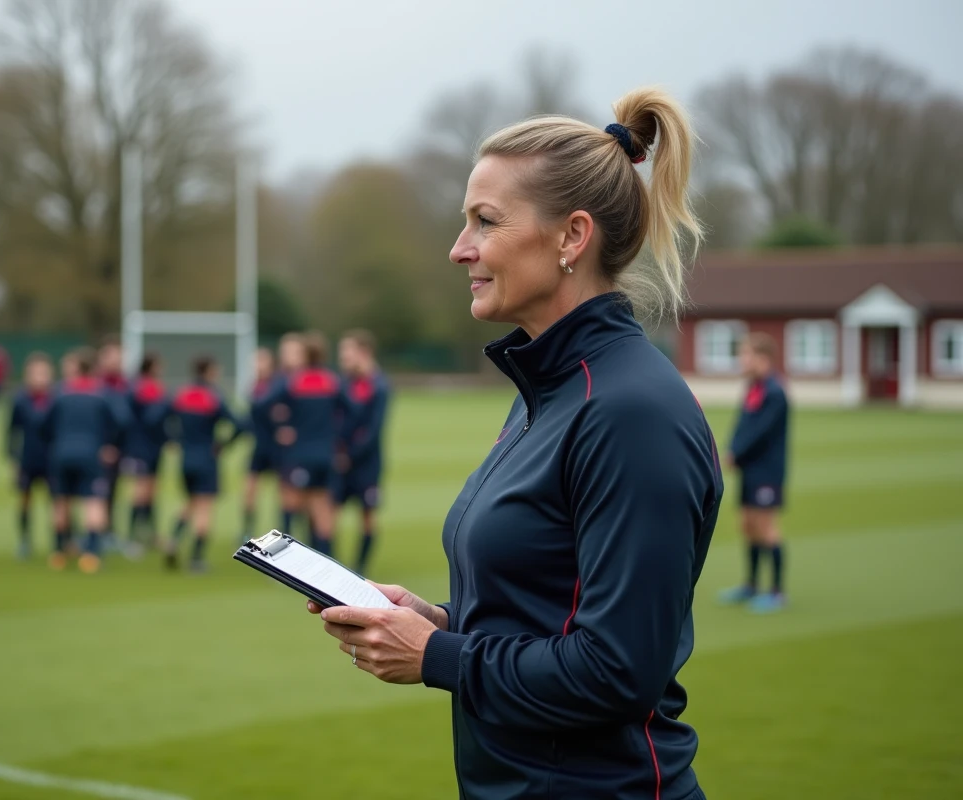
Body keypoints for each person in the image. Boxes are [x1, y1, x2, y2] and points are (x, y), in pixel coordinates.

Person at [313, 88, 723, 800]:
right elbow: (542, 609)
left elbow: (618, 671)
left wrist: (439, 656)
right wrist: (435, 621)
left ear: (572, 236)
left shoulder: (630, 412)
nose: (458, 247)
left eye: (485, 221)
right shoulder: (547, 388)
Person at [265, 331, 353, 557]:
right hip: (326, 454)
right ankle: (328, 562)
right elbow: (355, 411)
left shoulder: (294, 381)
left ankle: (281, 560)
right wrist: (338, 435)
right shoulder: (333, 381)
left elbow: (261, 404)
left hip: (300, 454)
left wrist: (281, 425)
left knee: (289, 504)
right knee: (322, 508)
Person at [720, 332, 790, 614]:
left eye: (746, 355)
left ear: (763, 358)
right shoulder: (754, 387)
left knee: (766, 528)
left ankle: (777, 592)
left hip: (767, 472)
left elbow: (760, 433)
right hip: (750, 468)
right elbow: (743, 425)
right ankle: (750, 585)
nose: (742, 360)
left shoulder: (775, 392)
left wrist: (735, 454)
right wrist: (731, 449)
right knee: (747, 525)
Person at [43, 347, 126, 573]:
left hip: (61, 452)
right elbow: (121, 422)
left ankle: (59, 552)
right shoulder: (103, 394)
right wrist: (109, 444)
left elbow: (43, 424)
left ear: (77, 368)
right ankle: (91, 553)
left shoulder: (60, 393)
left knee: (61, 501)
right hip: (92, 453)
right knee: (94, 501)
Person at [163, 355, 244, 573]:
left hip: (186, 458)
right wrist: (223, 444)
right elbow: (240, 424)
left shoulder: (181, 395)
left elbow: (157, 418)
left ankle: (173, 539)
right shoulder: (213, 397)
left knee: (190, 503)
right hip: (207, 458)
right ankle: (196, 558)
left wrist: (175, 438)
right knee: (204, 509)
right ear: (209, 371)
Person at [332, 329, 390, 574]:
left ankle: (360, 567)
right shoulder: (343, 383)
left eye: (348, 351)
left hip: (366, 463)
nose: (343, 356)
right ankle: (330, 565)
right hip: (339, 461)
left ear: (363, 352)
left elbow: (373, 430)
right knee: (330, 511)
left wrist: (350, 455)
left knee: (367, 515)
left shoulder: (379, 386)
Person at [6, 352, 56, 560]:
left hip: (52, 459)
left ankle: (60, 542)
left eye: (43, 373)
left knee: (57, 502)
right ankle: (25, 540)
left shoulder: (57, 398)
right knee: (25, 501)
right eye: (35, 373)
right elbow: (11, 432)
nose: (40, 377)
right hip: (28, 459)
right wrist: (13, 460)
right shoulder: (20, 399)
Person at [124, 352, 170, 555]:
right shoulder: (144, 387)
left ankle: (150, 534)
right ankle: (133, 536)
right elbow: (152, 418)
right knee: (140, 491)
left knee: (151, 491)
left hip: (153, 447)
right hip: (141, 447)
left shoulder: (148, 387)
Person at [273, 332, 309, 541]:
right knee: (287, 499)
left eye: (293, 351)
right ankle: (286, 550)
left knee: (308, 502)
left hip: (309, 450)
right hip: (285, 452)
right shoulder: (279, 380)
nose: (287, 356)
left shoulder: (310, 380)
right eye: (285, 351)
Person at [241, 347, 279, 541]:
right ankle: (247, 531)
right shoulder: (255, 387)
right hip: (259, 446)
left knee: (284, 493)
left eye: (260, 361)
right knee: (249, 490)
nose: (257, 366)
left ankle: (283, 533)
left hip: (278, 447)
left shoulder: (277, 385)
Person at [97, 336, 131, 545]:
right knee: (97, 492)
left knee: (113, 490)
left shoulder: (126, 385)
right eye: (112, 358)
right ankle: (97, 533)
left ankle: (109, 531)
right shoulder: (97, 386)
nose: (117, 362)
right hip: (100, 448)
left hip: (120, 448)